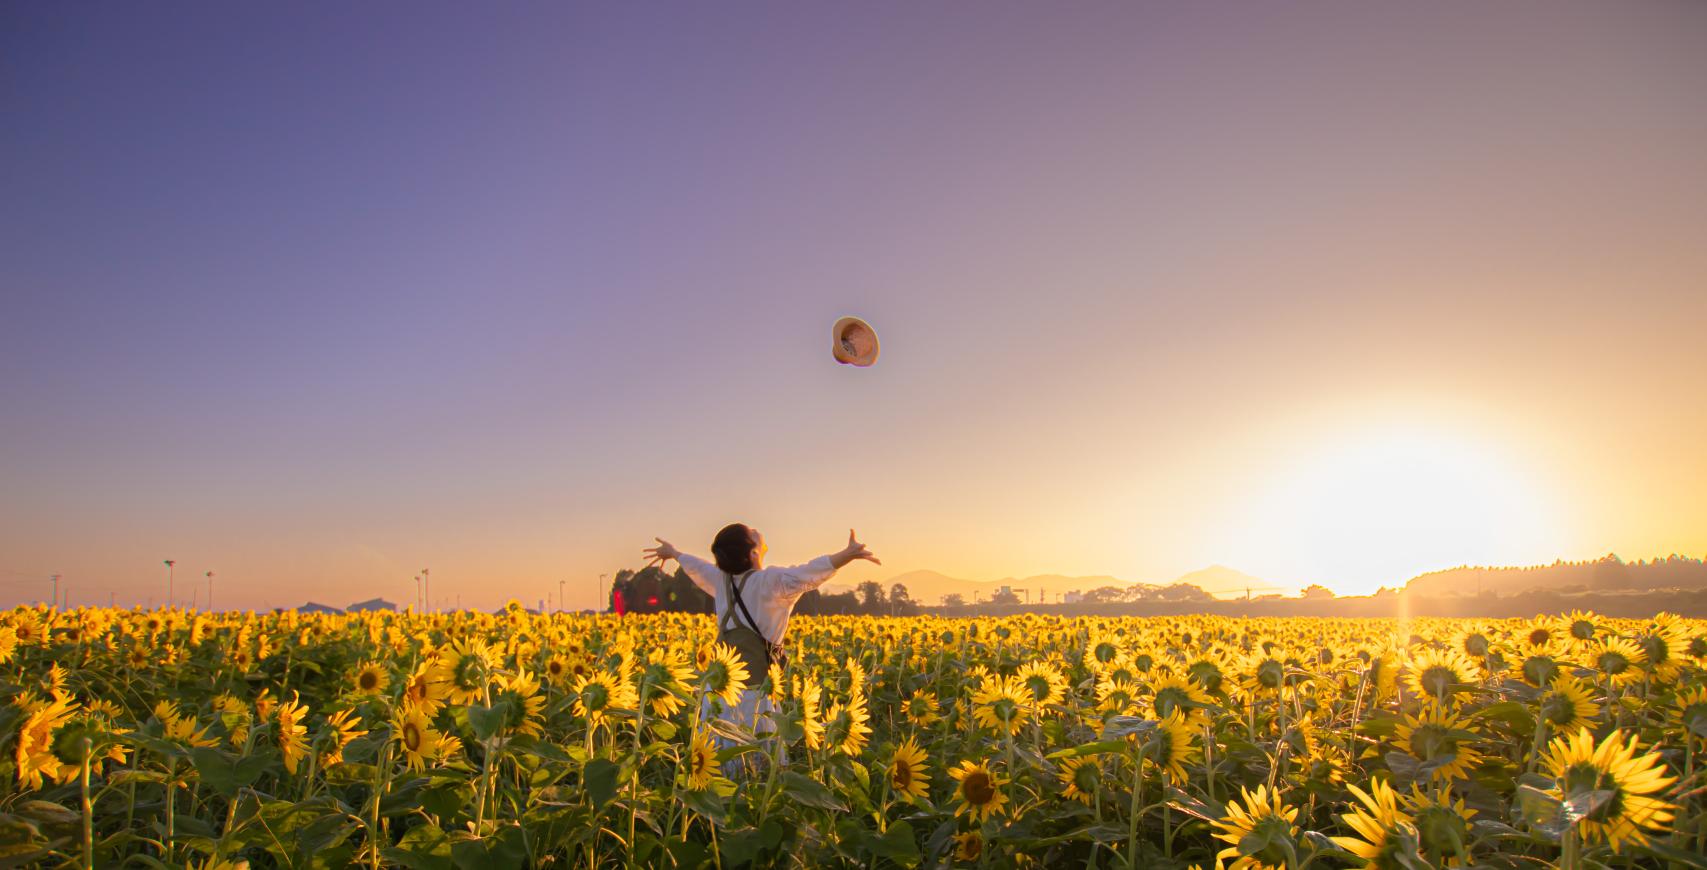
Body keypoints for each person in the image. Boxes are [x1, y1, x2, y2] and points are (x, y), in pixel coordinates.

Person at [642, 525, 879, 752]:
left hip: (717, 692)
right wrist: (846, 555)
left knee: (718, 754)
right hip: (755, 693)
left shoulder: (720, 581)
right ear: (754, 551)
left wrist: (674, 553)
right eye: (751, 532)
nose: (756, 530)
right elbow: (810, 572)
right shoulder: (770, 582)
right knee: (756, 758)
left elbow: (696, 567)